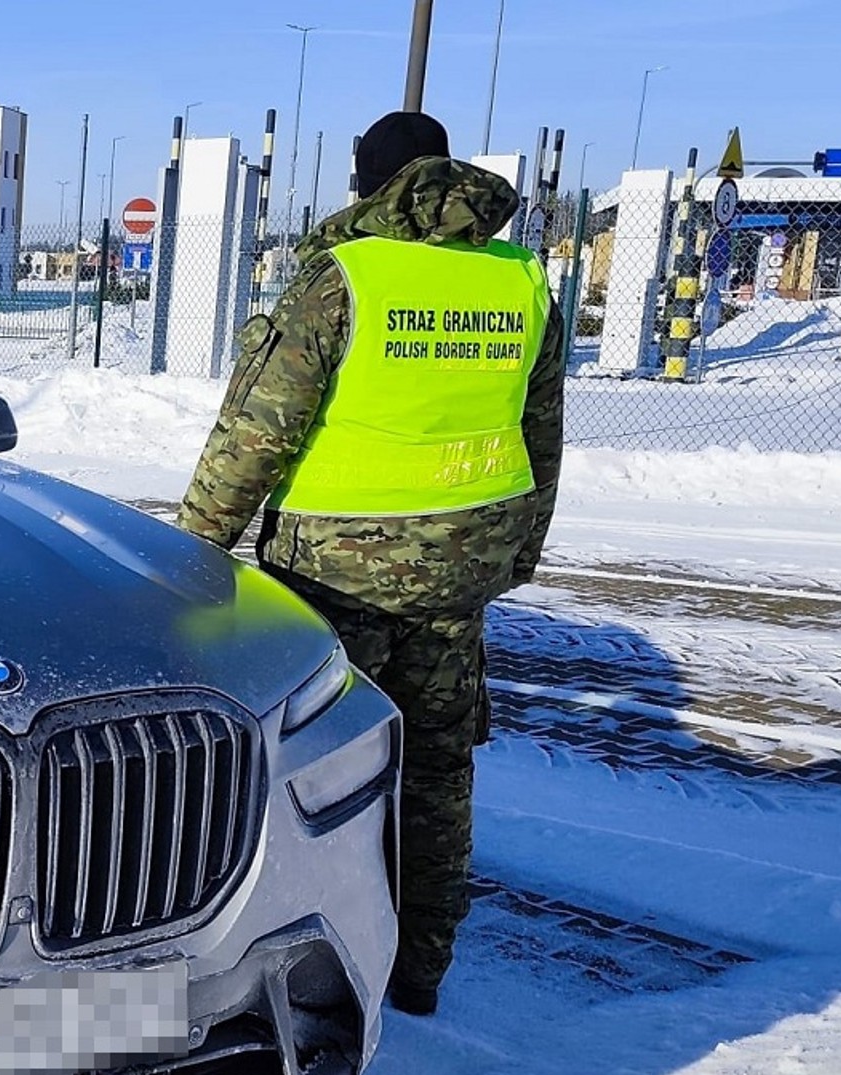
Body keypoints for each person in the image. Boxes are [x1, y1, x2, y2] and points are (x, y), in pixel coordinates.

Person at [176, 110, 564, 1016]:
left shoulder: (346, 275)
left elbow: (258, 432)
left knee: (322, 775)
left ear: (371, 177)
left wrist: (193, 556)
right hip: (460, 571)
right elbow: (540, 432)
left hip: (335, 571)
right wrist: (517, 552)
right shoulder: (519, 278)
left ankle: (313, 975)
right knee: (436, 766)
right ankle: (423, 969)